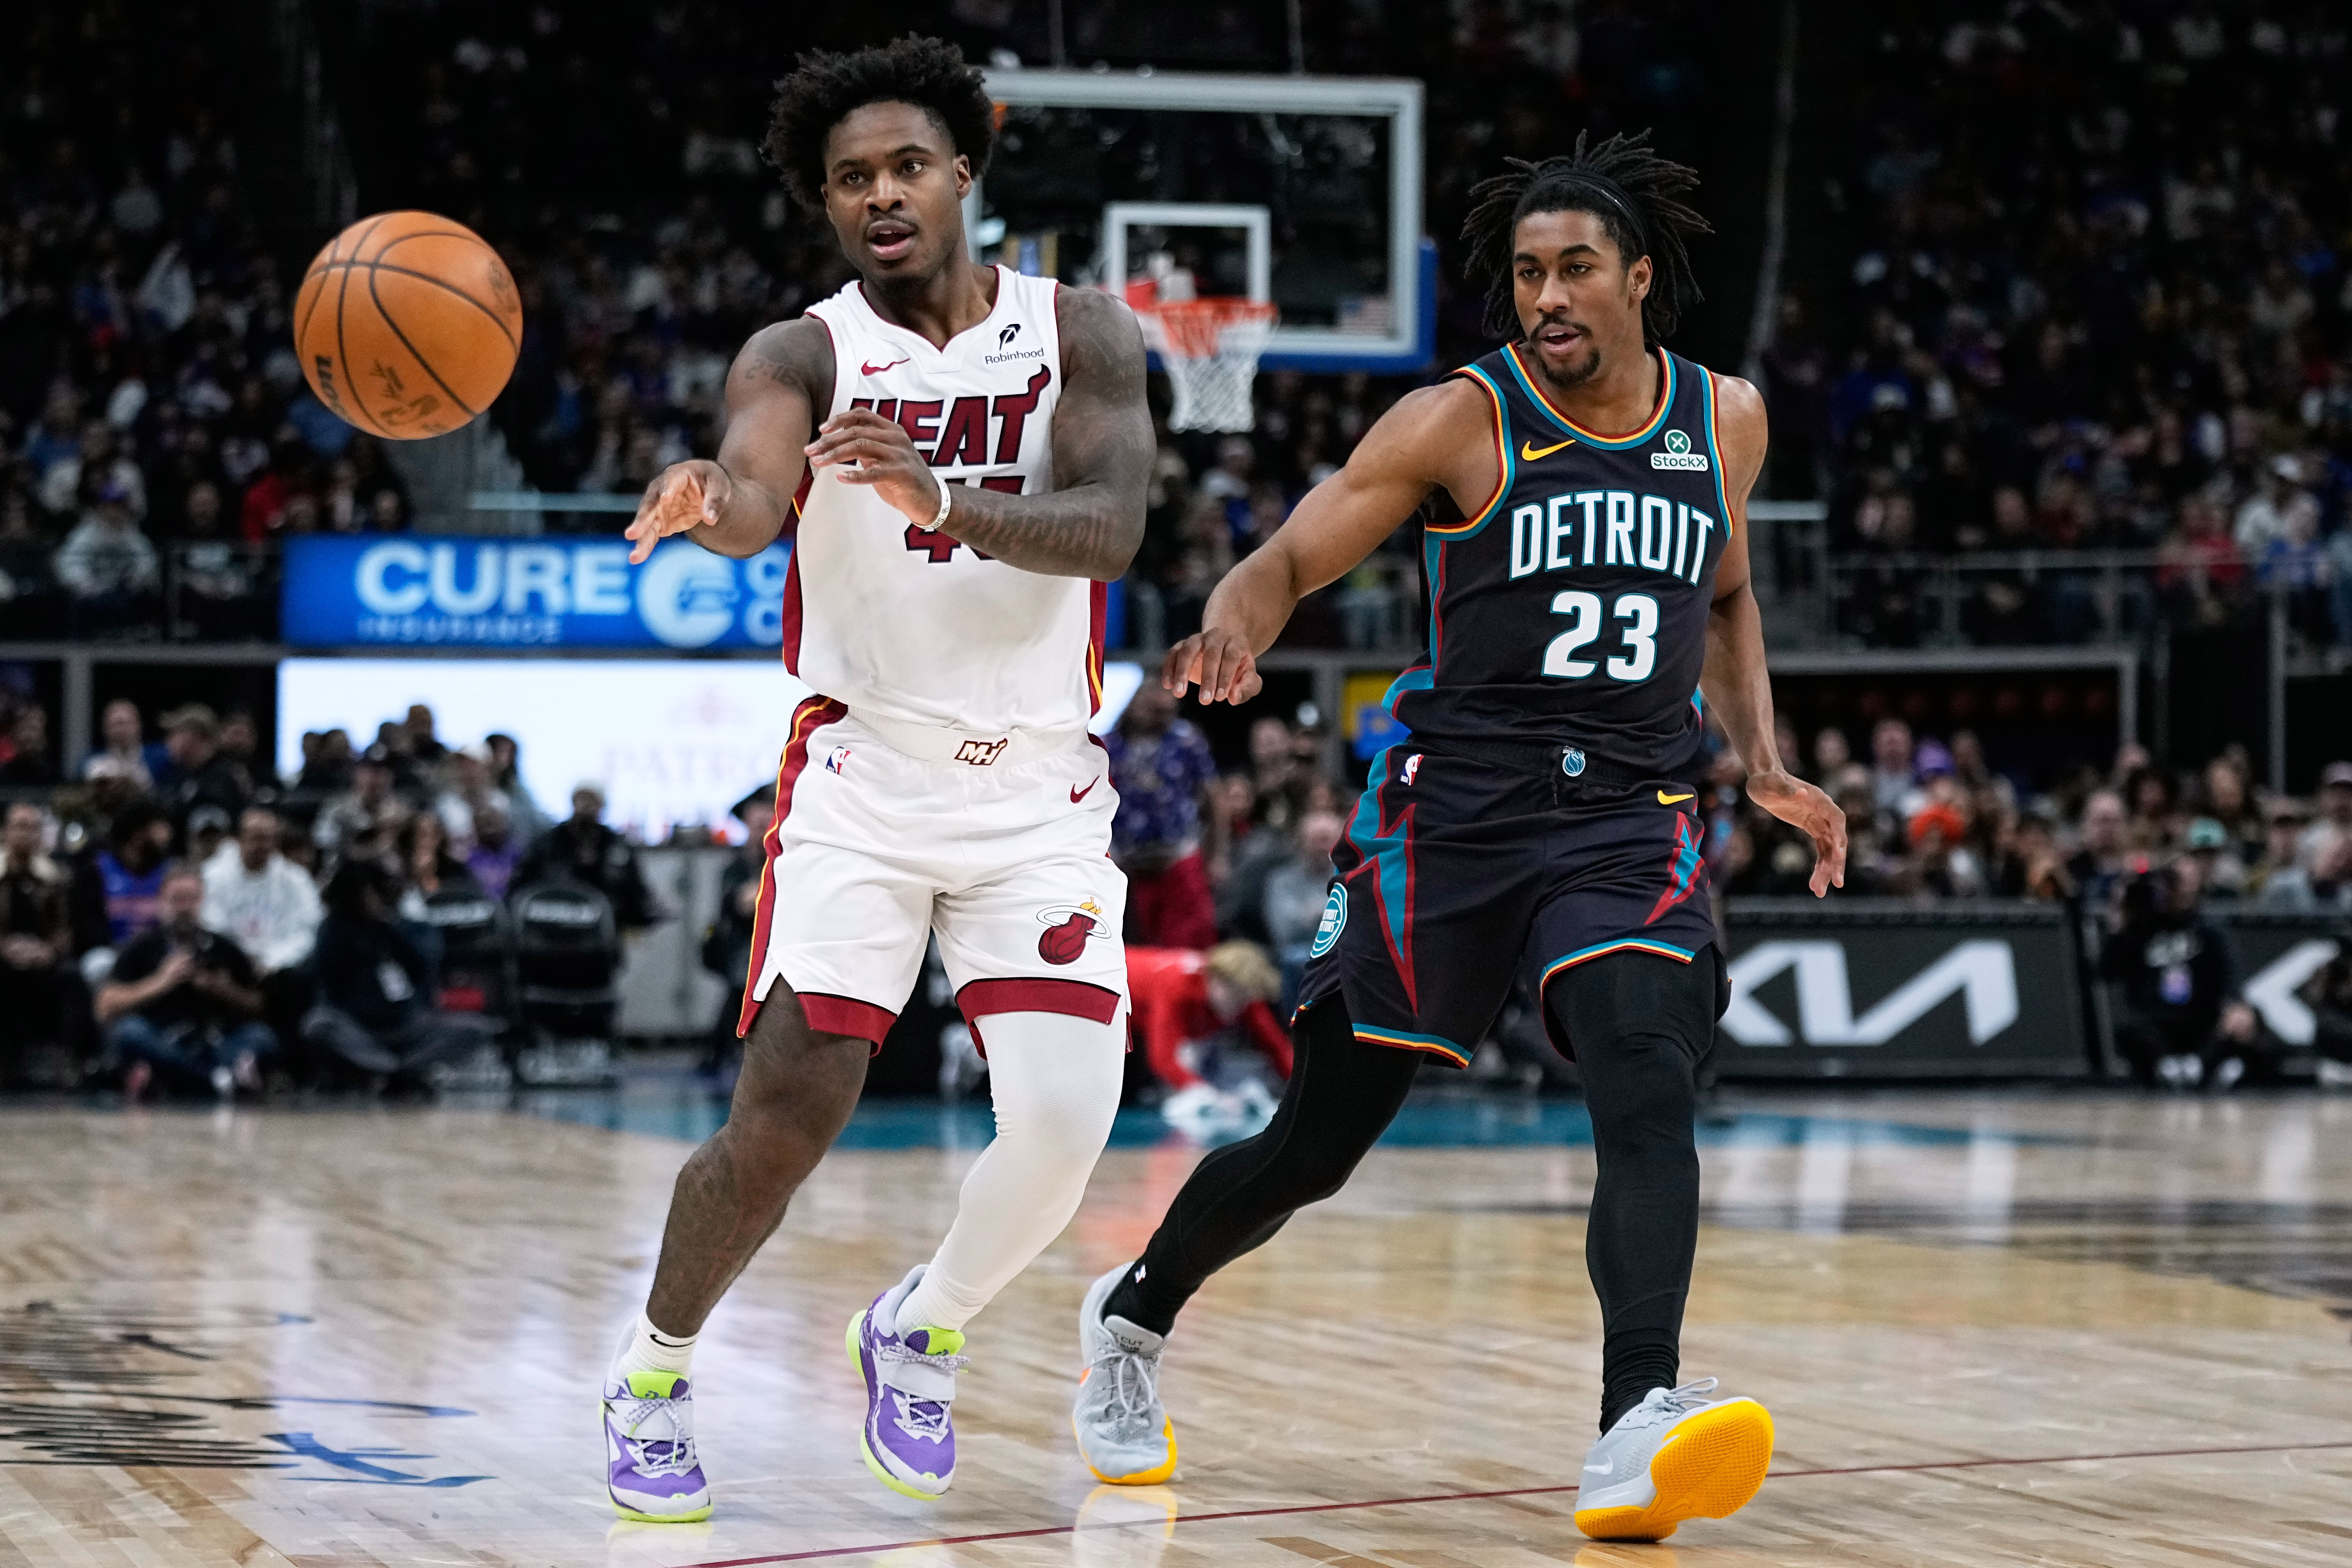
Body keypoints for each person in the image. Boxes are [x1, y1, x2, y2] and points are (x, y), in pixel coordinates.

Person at [1068, 134, 1843, 1546]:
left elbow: (1723, 600)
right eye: (1525, 273)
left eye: (1573, 270)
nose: (1543, 296)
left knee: (1643, 1077)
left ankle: (1632, 1423)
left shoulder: (1721, 420)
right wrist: (1237, 619)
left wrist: (1765, 761)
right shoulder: (1457, 421)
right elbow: (1294, 553)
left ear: (1640, 279)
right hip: (1455, 818)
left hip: (1627, 813)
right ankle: (1132, 1312)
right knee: (1314, 1144)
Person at [603, 36, 1151, 1521]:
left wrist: (945, 498)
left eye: (906, 164)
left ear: (963, 169)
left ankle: (922, 1324)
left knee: (1058, 1124)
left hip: (1037, 786)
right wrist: (712, 505)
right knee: (791, 1114)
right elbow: (758, 487)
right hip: (862, 771)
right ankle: (653, 1369)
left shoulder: (1081, 332)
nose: (881, 194)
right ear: (827, 207)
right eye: (851, 179)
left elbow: (1110, 527)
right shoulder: (804, 352)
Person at [301, 858, 494, 1085]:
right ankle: (390, 1070)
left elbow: (422, 967)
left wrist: (386, 925)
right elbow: (326, 980)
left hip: (407, 1025)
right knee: (318, 1025)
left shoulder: (401, 926)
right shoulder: (332, 931)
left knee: (476, 1029)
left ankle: (402, 1070)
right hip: (358, 1028)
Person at [95, 863, 272, 1101]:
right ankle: (216, 1081)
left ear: (202, 901)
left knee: (260, 1037)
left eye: (191, 899)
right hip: (161, 1040)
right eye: (176, 899)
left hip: (216, 1040)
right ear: (161, 902)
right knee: (129, 1033)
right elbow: (105, 1006)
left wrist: (223, 989)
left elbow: (259, 1005)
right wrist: (161, 982)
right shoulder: (142, 946)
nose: (184, 908)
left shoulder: (224, 947)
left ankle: (181, 1078)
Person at [2100, 858, 2263, 1088]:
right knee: (2128, 1028)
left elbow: (2229, 974)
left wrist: (2236, 1005)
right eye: (2175, 883)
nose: (2181, 890)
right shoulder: (2140, 929)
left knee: (2248, 1021)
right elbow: (2107, 972)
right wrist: (2120, 924)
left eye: (2188, 883)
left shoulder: (2208, 931)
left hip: (2199, 1019)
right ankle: (2168, 1066)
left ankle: (2199, 1065)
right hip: (2156, 1021)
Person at [1102, 679, 1220, 949]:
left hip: (1177, 858)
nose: (1152, 708)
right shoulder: (1108, 746)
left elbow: (1214, 798)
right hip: (1124, 862)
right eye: (1145, 701)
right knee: (1128, 946)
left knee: (1190, 943)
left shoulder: (1187, 740)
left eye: (1160, 705)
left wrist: (1218, 854)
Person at [202, 806, 323, 1047]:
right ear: (239, 839)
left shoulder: (296, 880)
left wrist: (272, 960)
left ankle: (288, 1056)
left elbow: (307, 931)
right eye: (255, 837)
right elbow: (210, 923)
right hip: (230, 964)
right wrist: (244, 959)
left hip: (278, 971)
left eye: (269, 838)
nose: (262, 845)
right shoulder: (213, 875)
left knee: (300, 979)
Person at [1126, 940, 1293, 1102]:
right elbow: (1163, 1059)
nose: (1237, 1007)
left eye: (1244, 999)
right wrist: (1212, 1097)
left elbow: (1277, 1046)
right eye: (1233, 995)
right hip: (1110, 990)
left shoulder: (1244, 999)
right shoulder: (1178, 987)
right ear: (1214, 978)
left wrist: (1305, 1086)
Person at [0, 803, 80, 1084]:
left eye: (31, 827)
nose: (25, 834)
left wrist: (47, 951)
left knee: (71, 977)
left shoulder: (56, 878)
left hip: (43, 959)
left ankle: (68, 1060)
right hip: (3, 958)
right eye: (18, 826)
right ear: (5, 833)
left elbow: (66, 930)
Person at [510, 783, 656, 929]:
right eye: (582, 799)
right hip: (552, 926)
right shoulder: (547, 844)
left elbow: (637, 893)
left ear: (602, 805)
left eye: (592, 800)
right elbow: (521, 885)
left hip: (609, 929)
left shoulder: (618, 847)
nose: (586, 806)